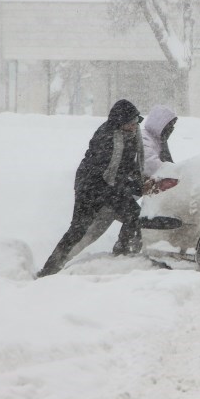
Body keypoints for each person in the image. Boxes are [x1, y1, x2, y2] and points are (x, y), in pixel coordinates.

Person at [37, 99, 145, 278]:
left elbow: (128, 165)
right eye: (130, 123)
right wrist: (132, 186)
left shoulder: (132, 134)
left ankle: (124, 252)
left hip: (112, 184)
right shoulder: (106, 137)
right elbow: (106, 173)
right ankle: (49, 270)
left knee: (134, 214)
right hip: (90, 186)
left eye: (136, 122)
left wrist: (138, 182)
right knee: (78, 229)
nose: (135, 126)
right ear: (119, 124)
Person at [141, 105, 178, 179]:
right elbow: (151, 165)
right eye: (170, 125)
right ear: (160, 124)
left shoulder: (159, 140)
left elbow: (169, 162)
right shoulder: (144, 138)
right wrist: (176, 171)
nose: (172, 129)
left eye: (173, 126)